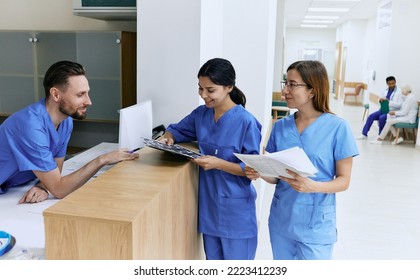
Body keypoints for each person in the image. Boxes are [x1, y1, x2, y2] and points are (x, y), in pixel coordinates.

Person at [245, 60, 358, 260]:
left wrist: (312, 186)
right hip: (282, 219)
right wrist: (260, 172)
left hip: (316, 223)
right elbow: (276, 176)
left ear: (312, 91)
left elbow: (344, 181)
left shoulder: (338, 128)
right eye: (285, 83)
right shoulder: (280, 127)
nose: (285, 91)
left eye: (292, 84)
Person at [162, 58, 262, 260]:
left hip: (236, 212)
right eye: (200, 89)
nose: (204, 95)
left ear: (229, 87)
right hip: (209, 209)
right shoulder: (201, 114)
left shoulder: (246, 122)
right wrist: (168, 138)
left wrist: (219, 164)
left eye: (210, 90)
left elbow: (252, 170)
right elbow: (176, 130)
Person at [0, 60, 139, 203]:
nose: (89, 101)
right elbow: (59, 189)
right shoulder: (30, 127)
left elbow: (56, 169)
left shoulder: (65, 120)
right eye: (80, 95)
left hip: (13, 189)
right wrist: (102, 160)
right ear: (55, 94)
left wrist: (43, 185)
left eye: (87, 93)